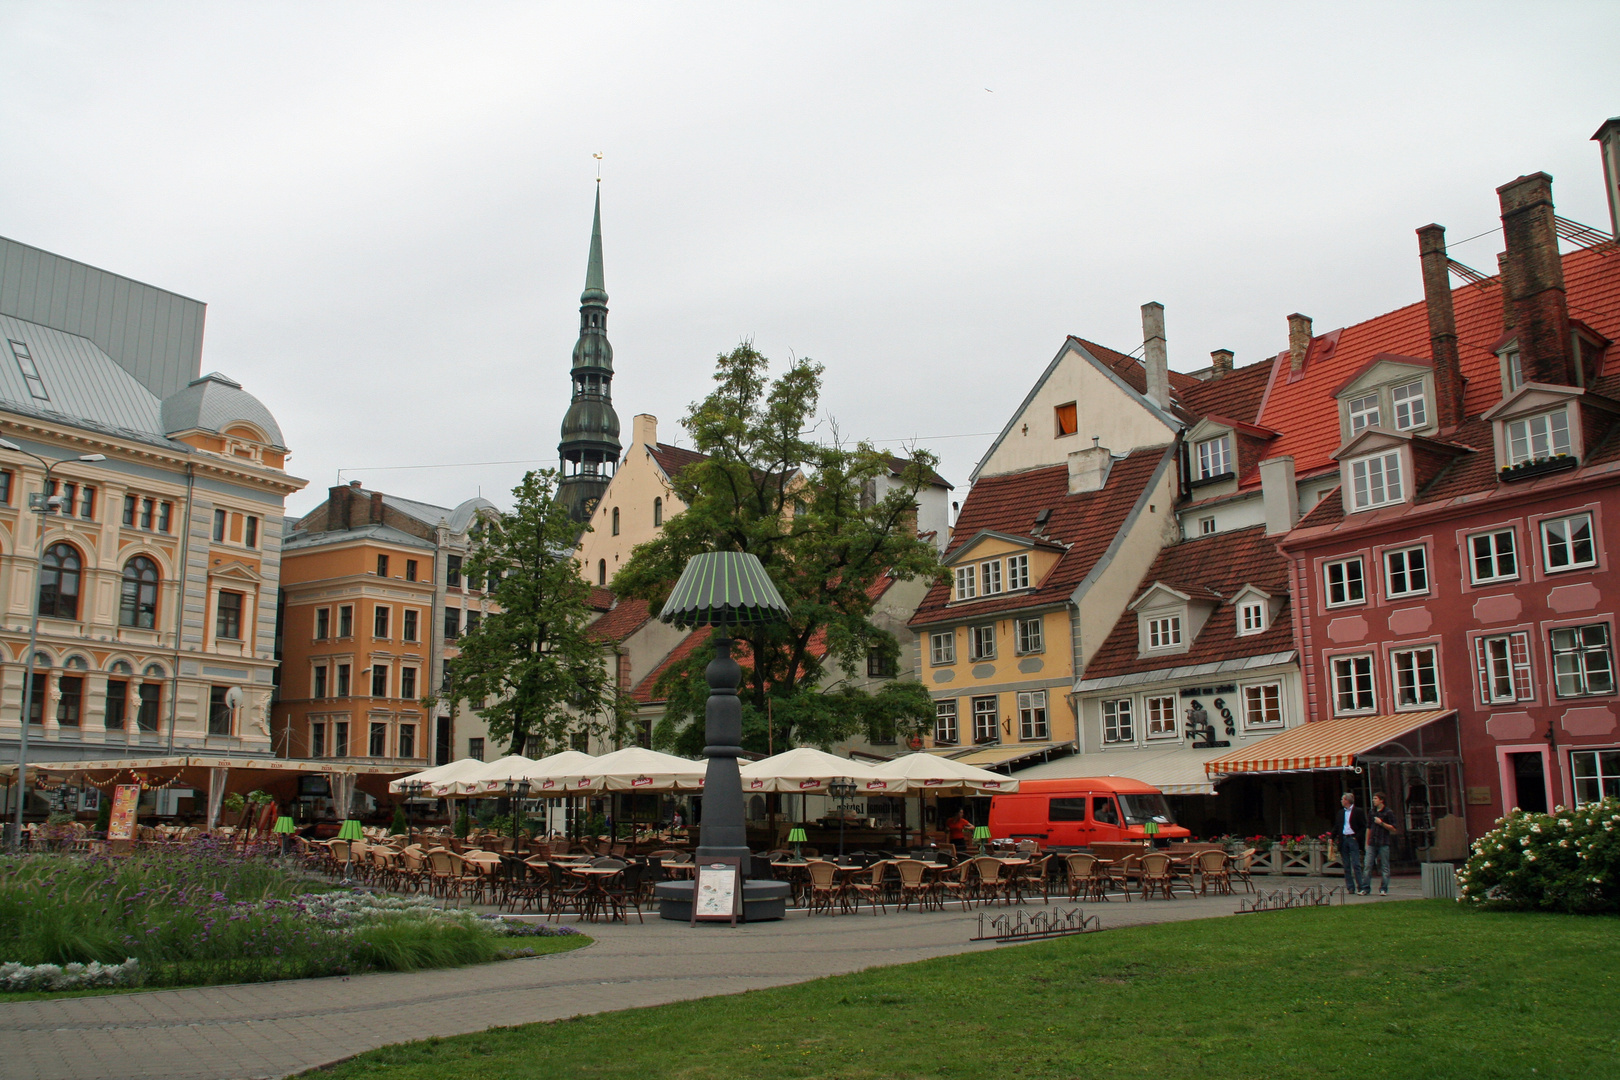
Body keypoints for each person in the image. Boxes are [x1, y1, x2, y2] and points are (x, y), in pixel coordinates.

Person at [1338, 792, 1370, 895]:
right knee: (1346, 865)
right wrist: (1332, 837)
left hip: (1353, 838)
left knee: (1356, 864)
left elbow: (1363, 826)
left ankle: (1361, 886)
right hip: (1344, 838)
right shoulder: (1341, 813)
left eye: (1343, 799)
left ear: (1347, 801)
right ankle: (1350, 887)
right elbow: (1338, 826)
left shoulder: (1358, 811)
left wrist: (1357, 837)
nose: (1342, 801)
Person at [1366, 792, 1397, 896]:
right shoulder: (1372, 812)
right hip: (1372, 842)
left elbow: (1393, 828)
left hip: (1383, 842)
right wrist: (1367, 842)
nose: (1373, 800)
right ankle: (1365, 888)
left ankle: (1383, 888)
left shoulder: (1388, 812)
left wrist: (1381, 823)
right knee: (1367, 865)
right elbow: (1369, 828)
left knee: (1384, 866)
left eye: (1375, 798)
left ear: (1381, 800)